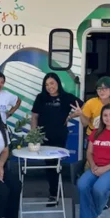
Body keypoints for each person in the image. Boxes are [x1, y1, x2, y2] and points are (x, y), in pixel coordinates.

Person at [31, 72, 83, 205]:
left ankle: (55, 194)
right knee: (49, 166)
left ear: (58, 83)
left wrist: (70, 116)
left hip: (60, 135)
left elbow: (84, 108)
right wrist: (33, 135)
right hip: (43, 136)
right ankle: (53, 193)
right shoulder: (40, 98)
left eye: (52, 83)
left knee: (56, 164)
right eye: (47, 84)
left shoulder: (66, 97)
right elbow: (35, 117)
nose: (49, 87)